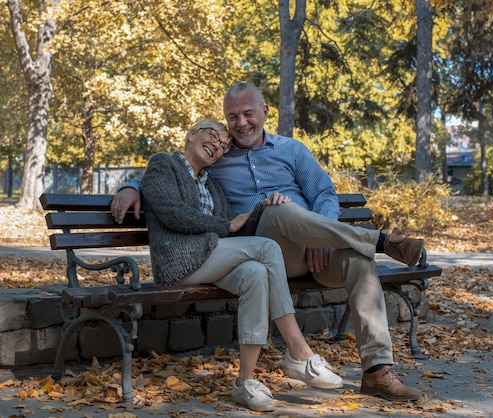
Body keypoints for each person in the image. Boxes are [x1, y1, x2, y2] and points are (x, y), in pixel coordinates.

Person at [112, 83, 426, 401]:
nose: (241, 123)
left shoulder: (292, 150)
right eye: (232, 116)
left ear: (265, 112)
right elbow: (174, 170)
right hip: (263, 246)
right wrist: (131, 186)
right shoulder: (219, 155)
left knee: (360, 262)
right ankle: (381, 240)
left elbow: (325, 194)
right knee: (277, 210)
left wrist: (322, 234)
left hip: (315, 250)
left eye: (248, 113)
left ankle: (377, 372)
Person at [139, 119, 342, 412]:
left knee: (255, 273)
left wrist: (264, 208)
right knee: (267, 248)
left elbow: (236, 230)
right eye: (213, 136)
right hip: (178, 263)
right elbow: (173, 213)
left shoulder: (212, 184)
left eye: (223, 146)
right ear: (192, 133)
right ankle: (299, 352)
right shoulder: (163, 165)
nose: (218, 146)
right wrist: (223, 224)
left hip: (210, 258)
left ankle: (244, 382)